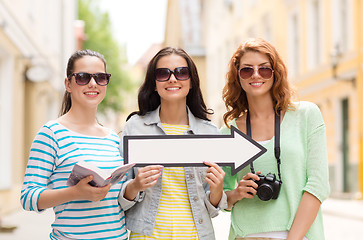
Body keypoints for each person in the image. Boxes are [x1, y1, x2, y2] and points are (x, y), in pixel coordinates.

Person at [221, 38, 330, 240]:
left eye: (264, 69)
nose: (255, 75)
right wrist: (236, 193)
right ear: (237, 76)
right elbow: (219, 199)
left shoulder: (306, 115)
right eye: (246, 70)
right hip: (246, 235)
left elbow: (318, 185)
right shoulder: (228, 132)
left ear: (275, 73)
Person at [118, 47, 227, 240]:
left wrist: (217, 189)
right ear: (154, 83)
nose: (173, 79)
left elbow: (213, 208)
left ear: (192, 81)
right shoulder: (135, 127)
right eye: (163, 73)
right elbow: (118, 197)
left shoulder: (209, 133)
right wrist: (135, 185)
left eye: (181, 72)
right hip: (146, 236)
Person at [21, 49, 128, 239]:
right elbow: (28, 198)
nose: (93, 83)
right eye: (82, 77)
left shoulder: (112, 137)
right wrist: (75, 193)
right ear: (68, 84)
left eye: (100, 77)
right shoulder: (51, 133)